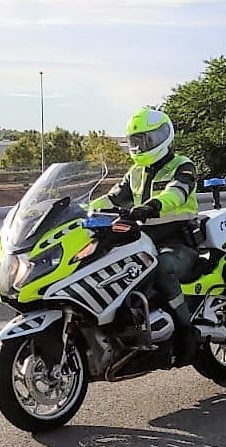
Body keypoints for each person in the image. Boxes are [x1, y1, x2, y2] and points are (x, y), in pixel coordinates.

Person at [90, 107, 201, 365]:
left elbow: (177, 193)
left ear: (163, 137)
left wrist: (151, 206)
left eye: (146, 140)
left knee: (161, 269)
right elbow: (112, 198)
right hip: (142, 242)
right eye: (136, 141)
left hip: (178, 242)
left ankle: (187, 331)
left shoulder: (182, 165)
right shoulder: (135, 172)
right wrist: (84, 208)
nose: (140, 147)